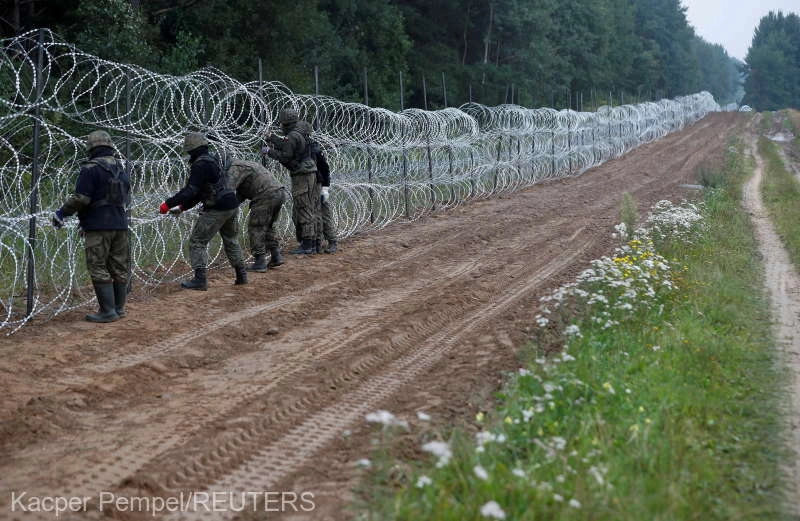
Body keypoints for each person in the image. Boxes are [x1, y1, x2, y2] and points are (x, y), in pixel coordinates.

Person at [51, 130, 131, 322]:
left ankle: (107, 312)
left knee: (97, 265)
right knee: (119, 266)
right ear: (109, 147)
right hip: (120, 223)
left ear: (91, 148)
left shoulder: (90, 169)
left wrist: (62, 213)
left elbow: (82, 198)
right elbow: (125, 194)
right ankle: (118, 309)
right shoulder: (121, 169)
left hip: (98, 226)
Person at [160, 132, 247, 290]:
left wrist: (168, 204)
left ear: (192, 149)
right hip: (231, 204)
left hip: (218, 207)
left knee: (197, 241)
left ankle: (200, 280)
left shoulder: (200, 165)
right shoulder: (212, 161)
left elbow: (190, 191)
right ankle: (241, 275)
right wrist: (182, 207)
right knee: (231, 240)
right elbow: (202, 192)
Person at [262, 108, 320, 255]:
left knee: (303, 207)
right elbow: (286, 145)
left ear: (286, 123)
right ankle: (313, 243)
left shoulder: (293, 135)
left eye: (281, 123)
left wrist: (269, 152)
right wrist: (271, 137)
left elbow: (285, 156)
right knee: (309, 207)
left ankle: (307, 245)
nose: (280, 125)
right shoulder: (299, 133)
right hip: (309, 173)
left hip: (302, 175)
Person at [225, 158, 288, 271]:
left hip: (265, 195)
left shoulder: (234, 168)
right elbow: (241, 193)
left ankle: (260, 261)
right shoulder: (246, 165)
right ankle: (276, 255)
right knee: (268, 226)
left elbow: (228, 189)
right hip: (279, 192)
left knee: (256, 228)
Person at [313, 137, 338, 254]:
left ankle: (332, 241)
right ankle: (316, 242)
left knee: (324, 213)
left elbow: (325, 168)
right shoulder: (297, 147)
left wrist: (325, 188)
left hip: (319, 185)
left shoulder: (315, 149)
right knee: (311, 215)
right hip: (307, 186)